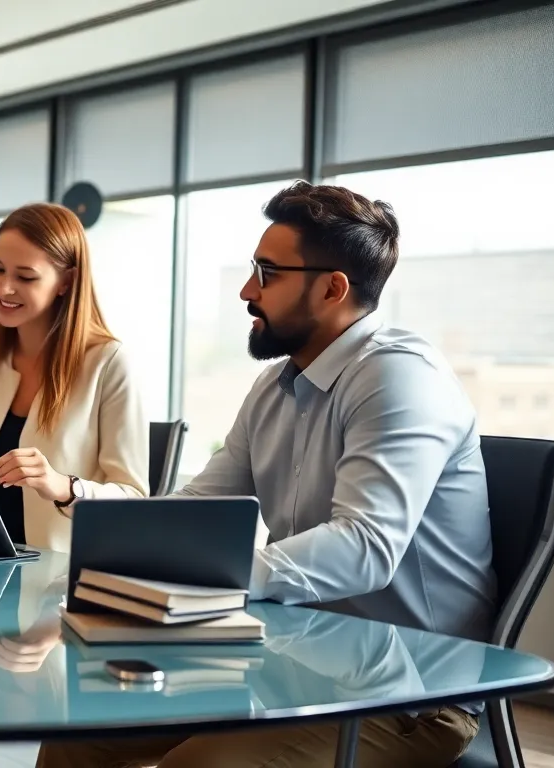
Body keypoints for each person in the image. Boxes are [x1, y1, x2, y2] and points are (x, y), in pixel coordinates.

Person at [37, 181, 496, 768]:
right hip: (286, 662)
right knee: (82, 729)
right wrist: (112, 550)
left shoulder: (399, 379)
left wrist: (210, 580)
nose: (246, 290)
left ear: (333, 289)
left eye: (267, 273)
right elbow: (200, 504)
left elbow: (367, 547)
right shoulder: (273, 388)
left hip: (408, 695)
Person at [0, 202, 150, 553]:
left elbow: (132, 501)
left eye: (25, 277)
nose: (4, 288)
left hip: (59, 581)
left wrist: (63, 486)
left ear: (66, 282)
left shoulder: (108, 363)